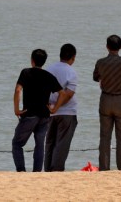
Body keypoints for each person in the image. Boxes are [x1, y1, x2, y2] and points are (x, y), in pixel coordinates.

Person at [12, 48, 66, 172]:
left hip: (29, 114)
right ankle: (37, 172)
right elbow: (62, 93)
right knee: (39, 145)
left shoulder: (25, 72)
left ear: (32, 61)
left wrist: (16, 109)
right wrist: (54, 109)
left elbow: (18, 90)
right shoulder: (48, 76)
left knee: (17, 144)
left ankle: (21, 171)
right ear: (44, 62)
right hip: (44, 116)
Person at [92, 34, 121, 171]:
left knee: (105, 137)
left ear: (107, 47)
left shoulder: (100, 62)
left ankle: (104, 168)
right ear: (120, 47)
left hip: (106, 99)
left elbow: (95, 77)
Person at [44, 43, 78, 172]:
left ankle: (47, 169)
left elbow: (43, 91)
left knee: (50, 143)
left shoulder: (49, 69)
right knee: (62, 143)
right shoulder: (71, 72)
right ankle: (56, 170)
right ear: (73, 58)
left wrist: (51, 107)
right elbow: (68, 95)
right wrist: (57, 107)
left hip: (50, 112)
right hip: (67, 113)